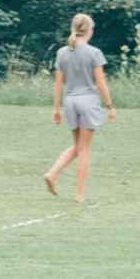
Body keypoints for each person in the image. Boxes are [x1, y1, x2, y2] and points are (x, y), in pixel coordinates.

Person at [43, 13, 117, 202]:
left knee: (78, 147)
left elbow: (58, 84)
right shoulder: (94, 53)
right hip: (88, 102)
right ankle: (79, 194)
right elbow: (101, 83)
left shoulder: (61, 52)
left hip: (70, 102)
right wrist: (110, 106)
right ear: (88, 30)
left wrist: (56, 109)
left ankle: (52, 174)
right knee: (84, 150)